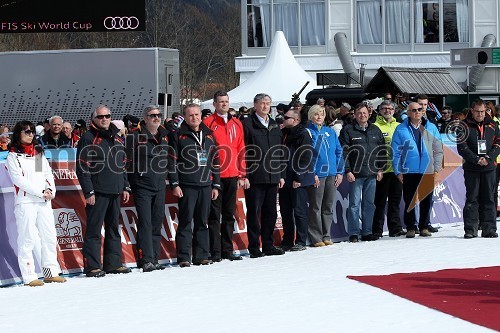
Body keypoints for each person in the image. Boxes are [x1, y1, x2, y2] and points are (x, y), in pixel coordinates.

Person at [6, 120, 67, 286]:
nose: (30, 134)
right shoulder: (13, 155)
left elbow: (46, 174)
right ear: (18, 134)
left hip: (43, 202)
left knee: (49, 236)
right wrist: (41, 192)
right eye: (26, 131)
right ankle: (29, 275)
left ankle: (51, 272)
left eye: (32, 131)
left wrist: (50, 190)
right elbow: (19, 180)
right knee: (27, 238)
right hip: (26, 202)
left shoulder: (37, 152)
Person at [76, 105, 132, 277]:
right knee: (94, 230)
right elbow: (82, 167)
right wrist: (89, 192)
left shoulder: (116, 137)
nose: (104, 119)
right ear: (93, 118)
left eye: (107, 116)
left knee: (113, 229)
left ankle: (113, 264)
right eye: (101, 116)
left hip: (115, 190)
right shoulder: (88, 137)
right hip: (98, 192)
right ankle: (92, 266)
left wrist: (125, 186)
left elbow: (121, 164)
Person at [168, 104, 221, 267]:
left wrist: (216, 184)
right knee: (185, 222)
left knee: (202, 222)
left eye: (197, 114)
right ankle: (184, 256)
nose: (195, 117)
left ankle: (201, 255)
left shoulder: (209, 135)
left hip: (206, 185)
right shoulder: (178, 135)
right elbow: (171, 162)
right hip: (187, 185)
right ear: (185, 117)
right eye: (190, 115)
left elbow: (216, 161)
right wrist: (175, 184)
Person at [203, 91, 248, 262]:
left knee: (229, 214)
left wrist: (242, 173)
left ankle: (227, 249)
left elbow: (241, 149)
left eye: (226, 101)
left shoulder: (237, 123)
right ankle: (215, 251)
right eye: (221, 102)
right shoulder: (208, 123)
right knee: (215, 215)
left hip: (233, 175)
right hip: (216, 176)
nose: (224, 104)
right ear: (214, 104)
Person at [126, 105, 171, 272]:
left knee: (156, 223)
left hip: (159, 185)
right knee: (145, 223)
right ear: (145, 118)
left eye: (159, 115)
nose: (156, 118)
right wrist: (132, 183)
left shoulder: (165, 136)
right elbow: (127, 163)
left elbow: (169, 160)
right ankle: (146, 259)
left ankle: (155, 257)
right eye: (153, 115)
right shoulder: (135, 136)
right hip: (142, 186)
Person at [242, 93, 286, 258]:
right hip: (255, 176)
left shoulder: (274, 124)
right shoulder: (247, 124)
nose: (265, 106)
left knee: (271, 213)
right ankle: (254, 247)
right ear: (255, 105)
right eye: (262, 103)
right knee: (254, 212)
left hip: (273, 176)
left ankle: (268, 245)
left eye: (268, 103)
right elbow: (242, 151)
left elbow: (280, 151)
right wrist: (244, 174)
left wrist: (281, 174)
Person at [391, 102, 443, 238]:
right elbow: (395, 152)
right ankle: (410, 227)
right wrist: (398, 171)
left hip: (427, 169)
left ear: (423, 111)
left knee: (426, 199)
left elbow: (439, 149)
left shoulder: (431, 127)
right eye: (413, 110)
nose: (417, 112)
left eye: (419, 109)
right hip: (409, 170)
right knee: (409, 200)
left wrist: (437, 168)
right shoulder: (401, 129)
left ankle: (424, 226)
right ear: (408, 112)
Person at [339, 103, 385, 242]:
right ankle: (353, 233)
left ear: (369, 114)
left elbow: (382, 150)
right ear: (354, 115)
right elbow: (344, 152)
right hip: (356, 174)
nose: (362, 115)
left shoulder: (375, 130)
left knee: (369, 204)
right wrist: (348, 170)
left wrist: (380, 168)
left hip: (371, 173)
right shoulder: (348, 130)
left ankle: (367, 232)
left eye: (364, 113)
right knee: (354, 205)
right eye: (359, 113)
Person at [456, 100, 500, 238]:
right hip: (472, 168)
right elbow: (462, 147)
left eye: (482, 111)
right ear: (472, 111)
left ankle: (489, 229)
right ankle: (470, 229)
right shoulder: (463, 125)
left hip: (489, 167)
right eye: (477, 111)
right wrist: (475, 159)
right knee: (472, 198)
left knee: (489, 198)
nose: (480, 114)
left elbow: (498, 142)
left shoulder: (493, 124)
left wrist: (488, 158)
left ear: (485, 110)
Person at [306, 105, 343, 247]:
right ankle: (316, 237)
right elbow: (307, 155)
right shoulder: (308, 132)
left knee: (328, 205)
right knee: (316, 206)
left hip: (331, 173)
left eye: (321, 114)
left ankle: (326, 235)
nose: (319, 116)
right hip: (318, 174)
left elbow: (338, 152)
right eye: (316, 114)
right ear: (311, 117)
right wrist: (312, 173)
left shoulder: (330, 132)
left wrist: (340, 171)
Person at [279, 108, 315, 251]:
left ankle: (301, 240)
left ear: (296, 120)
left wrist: (298, 177)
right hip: (285, 178)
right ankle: (287, 240)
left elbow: (305, 157)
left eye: (286, 117)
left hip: (298, 179)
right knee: (285, 211)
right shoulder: (284, 134)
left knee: (299, 211)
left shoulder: (303, 134)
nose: (284, 120)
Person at [372, 100, 405, 237]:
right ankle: (377, 229)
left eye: (390, 108)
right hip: (382, 170)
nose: (387, 111)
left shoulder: (400, 125)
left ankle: (395, 228)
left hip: (397, 170)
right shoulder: (374, 126)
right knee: (379, 202)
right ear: (379, 110)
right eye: (384, 108)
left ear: (394, 110)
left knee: (395, 201)